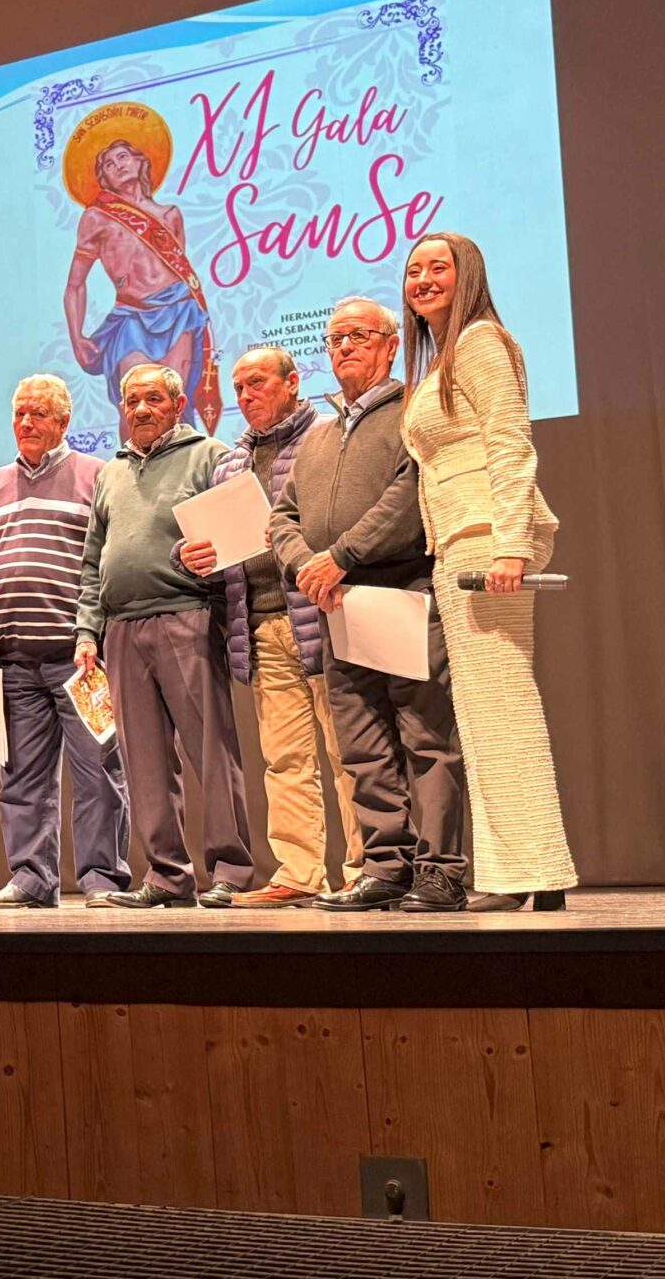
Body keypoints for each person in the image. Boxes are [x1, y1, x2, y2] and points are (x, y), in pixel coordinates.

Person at [398, 231, 576, 910]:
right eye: (414, 270)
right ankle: (536, 873)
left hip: (484, 544)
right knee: (487, 714)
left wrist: (511, 546)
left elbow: (510, 443)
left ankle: (526, 872)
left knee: (502, 711)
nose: (423, 279)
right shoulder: (445, 353)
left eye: (437, 267)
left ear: (468, 273)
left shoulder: (479, 342)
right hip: (460, 543)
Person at [272, 299, 468, 913]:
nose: (344, 347)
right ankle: (388, 865)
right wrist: (308, 563)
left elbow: (410, 493)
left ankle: (441, 869)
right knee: (362, 744)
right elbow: (282, 516)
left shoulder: (413, 411)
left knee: (426, 737)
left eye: (359, 335)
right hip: (338, 604)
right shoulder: (319, 436)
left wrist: (342, 556)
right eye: (334, 338)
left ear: (389, 345)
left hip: (402, 590)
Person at [181, 347, 362, 907]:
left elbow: (345, 519)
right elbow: (216, 542)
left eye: (256, 382)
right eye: (237, 387)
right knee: (284, 758)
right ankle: (299, 872)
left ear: (291, 382)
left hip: (325, 615)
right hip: (259, 624)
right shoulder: (230, 462)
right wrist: (189, 556)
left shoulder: (328, 437)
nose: (244, 395)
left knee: (347, 753)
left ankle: (364, 871)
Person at [75, 364, 253, 907]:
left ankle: (230, 872)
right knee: (145, 761)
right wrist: (87, 631)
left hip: (187, 616)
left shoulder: (210, 455)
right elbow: (91, 562)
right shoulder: (111, 473)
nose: (141, 410)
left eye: (153, 399)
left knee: (211, 751)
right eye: (131, 401)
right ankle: (167, 877)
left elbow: (242, 536)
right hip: (121, 629)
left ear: (178, 405)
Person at [0, 375, 130, 908]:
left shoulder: (98, 476)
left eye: (38, 414)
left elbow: (106, 566)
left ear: (64, 422)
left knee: (99, 775)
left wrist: (94, 636)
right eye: (20, 413)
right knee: (21, 777)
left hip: (81, 659)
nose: (26, 423)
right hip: (13, 660)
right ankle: (31, 878)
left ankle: (101, 879)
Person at [63, 120, 219, 435]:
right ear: (103, 178)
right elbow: (75, 285)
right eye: (108, 163)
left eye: (122, 157)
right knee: (134, 407)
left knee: (175, 406)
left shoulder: (171, 215)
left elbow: (179, 273)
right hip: (131, 317)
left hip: (178, 312)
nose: (117, 165)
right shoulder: (96, 218)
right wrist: (77, 337)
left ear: (140, 162)